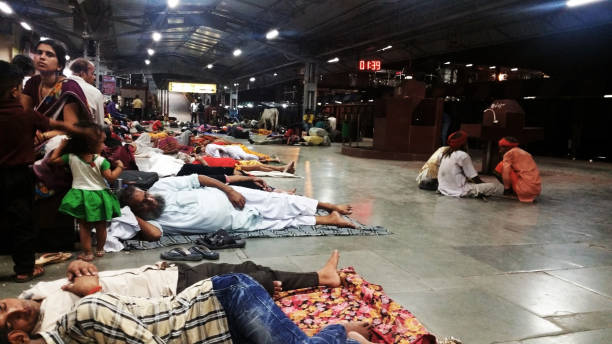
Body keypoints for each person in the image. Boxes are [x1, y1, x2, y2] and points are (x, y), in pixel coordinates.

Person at [1, 254, 373, 343]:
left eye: (4, 306)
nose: (12, 305)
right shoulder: (57, 327)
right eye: (8, 313)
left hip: (221, 300)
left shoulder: (80, 314)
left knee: (252, 275)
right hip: (209, 323)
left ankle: (339, 330)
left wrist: (84, 267)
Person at [0, 60, 95, 282]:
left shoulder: (61, 90)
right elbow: (56, 125)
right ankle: (25, 269)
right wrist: (79, 130)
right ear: (15, 91)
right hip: (18, 175)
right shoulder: (25, 115)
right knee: (22, 222)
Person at [119, 174, 356, 236]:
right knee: (278, 222)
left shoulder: (162, 187)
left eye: (146, 195)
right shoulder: (152, 222)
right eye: (144, 203)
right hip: (235, 222)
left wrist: (229, 190)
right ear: (137, 211)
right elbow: (154, 236)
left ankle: (326, 204)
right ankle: (329, 219)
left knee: (281, 201)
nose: (150, 200)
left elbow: (199, 179)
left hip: (233, 197)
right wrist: (132, 215)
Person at [48, 121, 124, 261]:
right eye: (101, 142)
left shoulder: (71, 158)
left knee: (84, 227)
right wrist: (120, 167)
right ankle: (100, 250)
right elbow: (111, 178)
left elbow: (52, 160)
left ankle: (88, 253)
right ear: (91, 145)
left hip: (81, 195)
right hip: (99, 196)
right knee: (101, 226)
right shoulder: (102, 161)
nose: (104, 145)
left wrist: (61, 146)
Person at [20, 39, 92, 142]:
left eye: (49, 55)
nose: (42, 57)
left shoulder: (68, 88)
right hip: (36, 137)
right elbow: (24, 115)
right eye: (39, 53)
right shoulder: (32, 83)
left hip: (62, 142)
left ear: (60, 66)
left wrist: (44, 136)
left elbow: (72, 129)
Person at [437, 130, 502, 198]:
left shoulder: (443, 154)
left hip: (442, 189)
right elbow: (474, 178)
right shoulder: (462, 155)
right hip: (458, 191)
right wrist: (485, 185)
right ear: (463, 143)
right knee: (495, 186)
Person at [494, 136, 542, 202]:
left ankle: (511, 191)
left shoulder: (509, 154)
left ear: (507, 147)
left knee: (500, 166)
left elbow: (506, 172)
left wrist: (506, 189)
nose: (500, 150)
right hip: (535, 189)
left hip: (524, 190)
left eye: (501, 147)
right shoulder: (526, 153)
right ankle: (517, 190)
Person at [68, 58, 105, 125]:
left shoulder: (58, 86)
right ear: (82, 73)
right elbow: (99, 125)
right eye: (92, 73)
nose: (94, 77)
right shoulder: (95, 92)